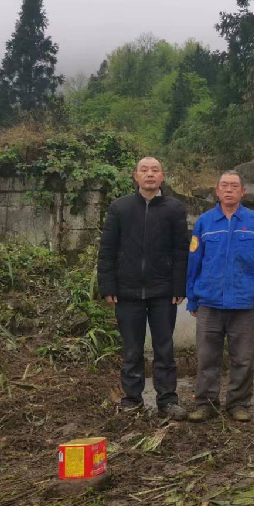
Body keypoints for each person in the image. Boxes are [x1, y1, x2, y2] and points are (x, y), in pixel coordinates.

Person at [97, 157, 189, 419]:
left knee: (164, 347)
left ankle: (167, 400)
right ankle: (132, 399)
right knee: (132, 348)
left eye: (155, 170)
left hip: (163, 291)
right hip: (127, 291)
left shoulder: (174, 208)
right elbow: (107, 250)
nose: (150, 174)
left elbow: (181, 251)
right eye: (144, 170)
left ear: (162, 176)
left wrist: (178, 286)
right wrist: (108, 285)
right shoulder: (120, 207)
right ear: (135, 176)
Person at [186, 170, 254, 422]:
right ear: (217, 191)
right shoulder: (205, 222)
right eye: (225, 185)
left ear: (243, 192)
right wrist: (192, 297)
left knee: (243, 359)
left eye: (235, 186)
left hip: (244, 303)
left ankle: (238, 403)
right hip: (209, 302)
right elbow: (194, 261)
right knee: (207, 357)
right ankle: (205, 403)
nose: (229, 189)